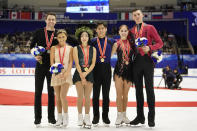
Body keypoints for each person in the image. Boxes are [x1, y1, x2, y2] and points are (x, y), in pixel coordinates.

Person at [129, 9, 163, 127]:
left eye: (138, 14)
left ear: (142, 15)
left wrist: (150, 47)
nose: (137, 16)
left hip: (148, 62)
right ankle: (140, 117)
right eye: (135, 15)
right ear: (133, 17)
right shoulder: (131, 31)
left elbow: (160, 43)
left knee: (149, 89)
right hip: (136, 62)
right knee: (138, 91)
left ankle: (151, 118)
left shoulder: (150, 28)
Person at [30, 12, 58, 126]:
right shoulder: (39, 32)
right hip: (40, 65)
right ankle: (37, 118)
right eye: (49, 19)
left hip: (53, 66)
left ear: (55, 21)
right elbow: (31, 46)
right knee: (38, 93)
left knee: (51, 93)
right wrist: (35, 55)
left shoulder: (58, 33)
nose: (51, 21)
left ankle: (51, 118)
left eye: (53, 19)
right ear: (46, 20)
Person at [91, 22, 116, 126]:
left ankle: (105, 116)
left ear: (106, 29)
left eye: (102, 28)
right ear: (96, 30)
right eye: (99, 28)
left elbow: (116, 45)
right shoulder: (92, 41)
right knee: (95, 94)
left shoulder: (110, 41)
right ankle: (96, 116)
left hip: (106, 68)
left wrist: (110, 55)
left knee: (106, 94)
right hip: (95, 68)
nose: (101, 30)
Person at [111, 25, 135, 127]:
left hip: (129, 71)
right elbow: (110, 55)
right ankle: (119, 115)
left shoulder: (132, 43)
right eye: (122, 31)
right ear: (119, 32)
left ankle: (124, 115)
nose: (124, 32)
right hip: (119, 71)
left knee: (125, 95)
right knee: (119, 95)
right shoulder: (116, 44)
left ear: (128, 32)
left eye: (125, 31)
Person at [73, 26, 96, 128]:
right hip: (78, 74)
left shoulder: (93, 49)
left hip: (89, 74)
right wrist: (82, 76)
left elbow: (93, 64)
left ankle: (87, 117)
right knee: (80, 96)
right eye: (82, 36)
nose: (84, 37)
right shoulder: (75, 49)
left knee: (87, 97)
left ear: (89, 37)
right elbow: (77, 64)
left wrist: (86, 74)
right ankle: (79, 117)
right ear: (79, 38)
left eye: (86, 36)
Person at [50, 29, 73, 127]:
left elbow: (71, 62)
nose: (61, 39)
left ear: (66, 37)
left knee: (63, 96)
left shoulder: (70, 48)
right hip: (56, 74)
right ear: (57, 38)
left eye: (63, 37)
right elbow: (52, 62)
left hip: (66, 75)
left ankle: (66, 117)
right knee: (58, 97)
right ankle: (59, 118)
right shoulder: (53, 48)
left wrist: (67, 72)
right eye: (59, 37)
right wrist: (56, 73)